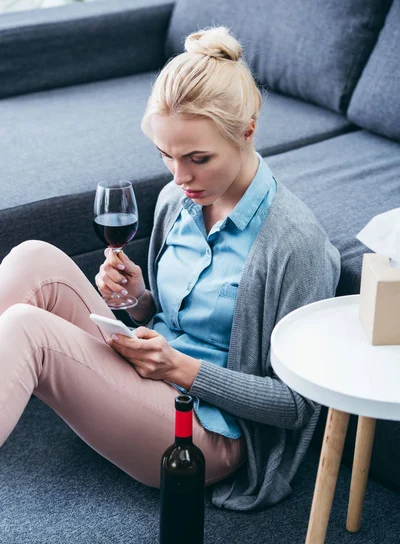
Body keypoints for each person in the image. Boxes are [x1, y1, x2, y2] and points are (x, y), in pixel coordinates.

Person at [0, 26, 340, 511]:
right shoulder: (175, 201)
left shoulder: (294, 244)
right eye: (166, 156)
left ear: (247, 130)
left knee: (27, 330)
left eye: (198, 159)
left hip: (206, 431)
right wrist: (139, 300)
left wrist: (181, 368)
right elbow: (162, 320)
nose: (180, 177)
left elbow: (297, 407)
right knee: (34, 256)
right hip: (147, 374)